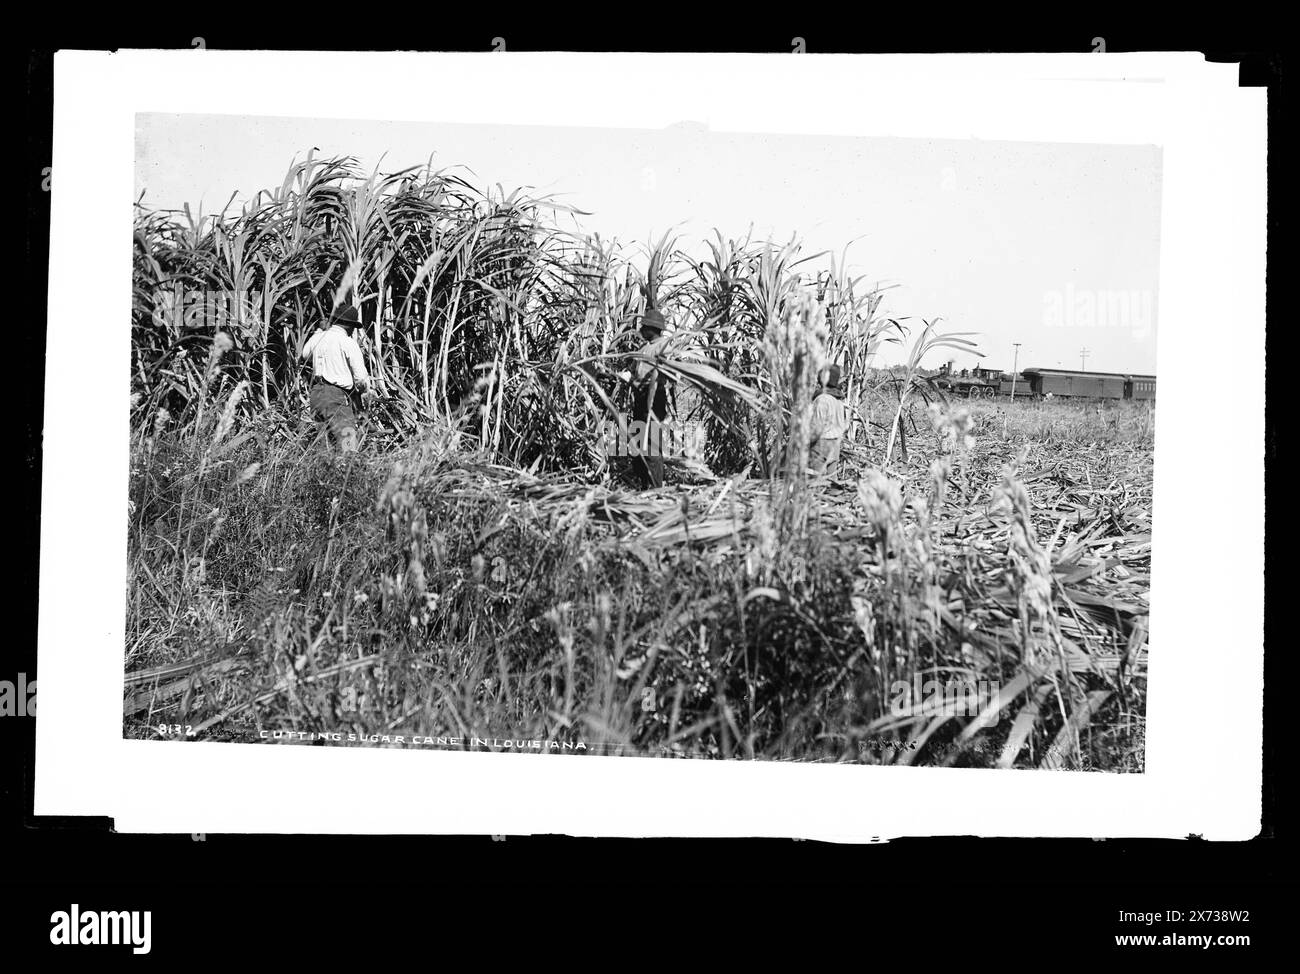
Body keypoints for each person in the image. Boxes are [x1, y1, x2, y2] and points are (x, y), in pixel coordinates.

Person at [300, 304, 371, 453]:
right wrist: (363, 394)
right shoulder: (348, 342)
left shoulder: (318, 338)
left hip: (316, 395)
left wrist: (319, 331)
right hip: (337, 397)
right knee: (348, 443)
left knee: (323, 445)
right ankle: (349, 473)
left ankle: (326, 473)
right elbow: (361, 378)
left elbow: (305, 354)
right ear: (349, 325)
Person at [630, 307, 672, 488]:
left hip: (654, 398)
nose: (640, 330)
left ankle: (656, 489)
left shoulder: (663, 347)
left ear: (651, 328)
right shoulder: (645, 348)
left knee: (652, 446)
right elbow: (635, 373)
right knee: (637, 444)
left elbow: (666, 373)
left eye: (643, 327)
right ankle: (643, 485)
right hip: (640, 398)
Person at [809, 363, 849, 477]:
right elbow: (845, 425)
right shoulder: (839, 401)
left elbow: (816, 428)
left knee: (816, 481)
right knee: (832, 480)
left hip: (821, 444)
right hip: (835, 445)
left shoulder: (822, 399)